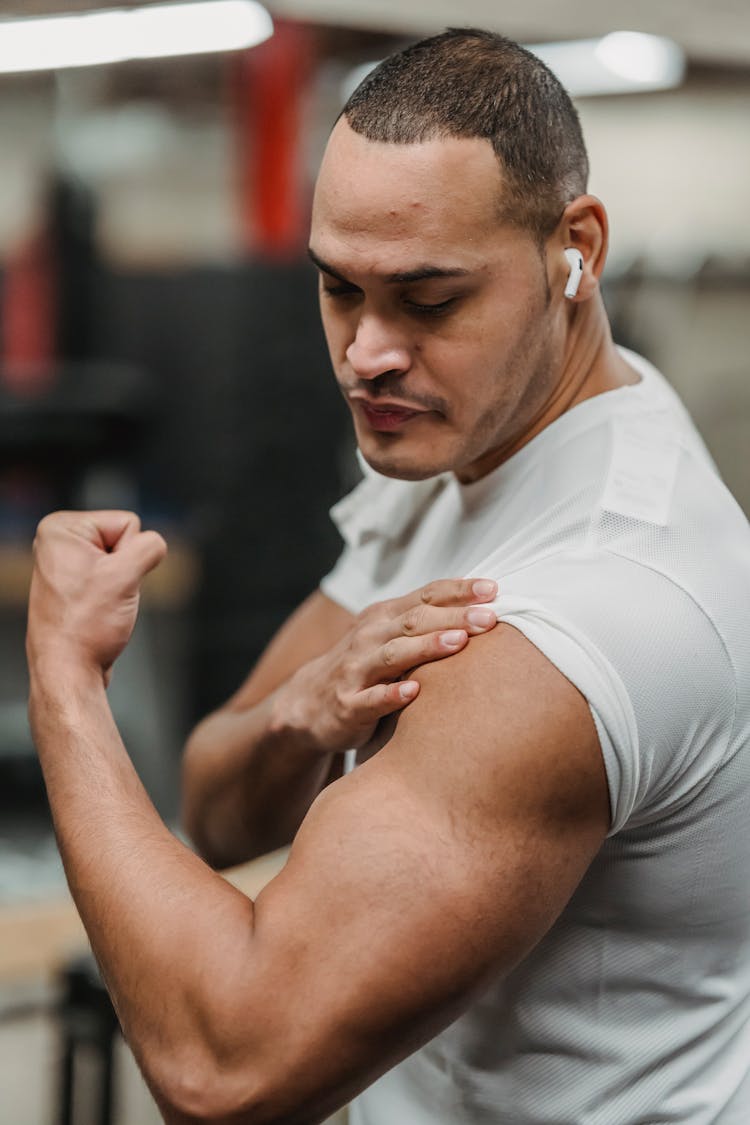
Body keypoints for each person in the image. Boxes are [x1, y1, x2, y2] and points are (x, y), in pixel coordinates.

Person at [26, 28, 750, 1125]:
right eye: (338, 290)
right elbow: (220, 815)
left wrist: (67, 684)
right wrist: (298, 721)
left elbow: (226, 1069)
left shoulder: (576, 618)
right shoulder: (463, 442)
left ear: (578, 251)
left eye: (428, 298)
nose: (367, 354)